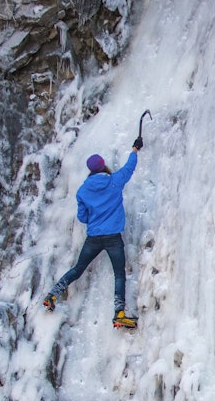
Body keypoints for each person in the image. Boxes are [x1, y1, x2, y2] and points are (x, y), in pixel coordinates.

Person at [43, 135, 144, 328]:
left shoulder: (83, 191)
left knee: (78, 269)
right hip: (113, 238)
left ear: (91, 170)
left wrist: (95, 217)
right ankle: (119, 313)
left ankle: (53, 294)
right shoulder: (114, 181)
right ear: (103, 165)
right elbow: (129, 169)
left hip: (94, 237)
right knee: (119, 274)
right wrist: (135, 150)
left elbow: (82, 217)